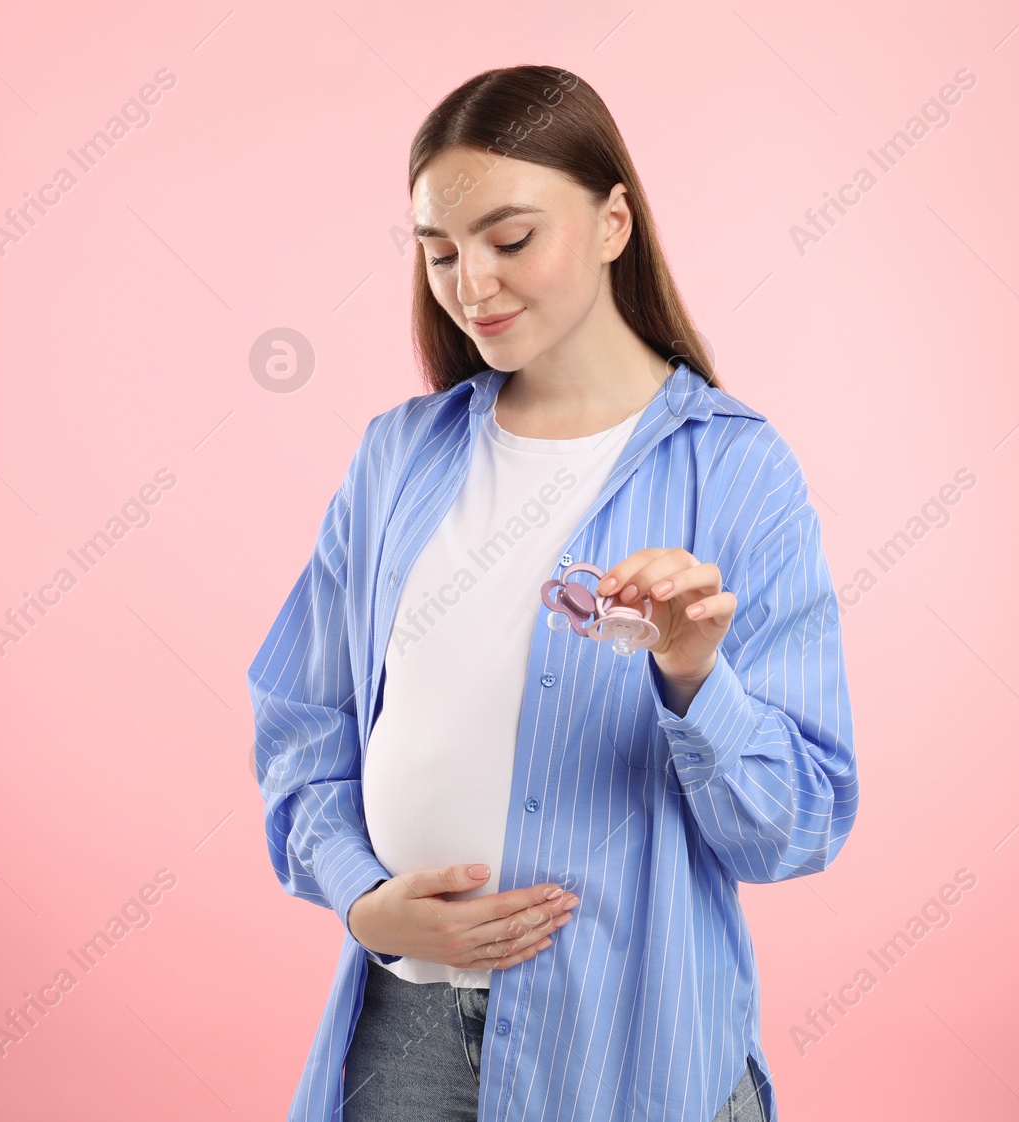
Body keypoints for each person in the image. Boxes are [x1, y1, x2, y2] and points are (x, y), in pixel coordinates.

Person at [249, 63, 858, 1122]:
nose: (470, 283)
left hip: (635, 1044)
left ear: (614, 219)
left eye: (510, 239)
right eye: (439, 252)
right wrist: (365, 901)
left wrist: (691, 674)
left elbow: (795, 827)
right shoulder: (398, 458)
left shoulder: (737, 472)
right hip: (406, 1039)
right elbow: (303, 726)